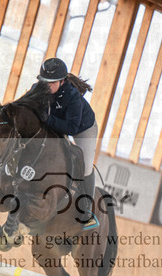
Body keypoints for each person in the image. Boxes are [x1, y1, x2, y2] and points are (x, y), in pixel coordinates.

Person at [36, 57, 99, 230]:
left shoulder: (72, 96)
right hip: (56, 122)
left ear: (62, 81)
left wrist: (47, 119)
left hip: (83, 128)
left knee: (86, 166)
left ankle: (87, 211)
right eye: (44, 81)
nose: (47, 86)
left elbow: (71, 128)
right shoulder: (37, 89)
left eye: (52, 83)